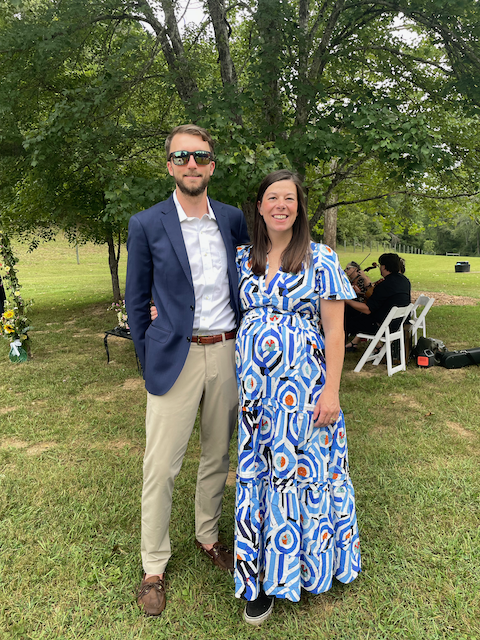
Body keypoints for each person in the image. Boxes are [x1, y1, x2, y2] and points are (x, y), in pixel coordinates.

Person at [125, 124, 250, 616]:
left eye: (200, 156)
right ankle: (153, 565)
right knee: (161, 465)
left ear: (212, 164)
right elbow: (137, 300)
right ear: (170, 165)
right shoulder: (147, 223)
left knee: (217, 455)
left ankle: (206, 536)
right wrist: (147, 351)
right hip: (173, 355)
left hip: (226, 352)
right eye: (182, 157)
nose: (191, 165)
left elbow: (246, 279)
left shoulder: (233, 219)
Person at [234, 170, 361, 625]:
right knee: (259, 473)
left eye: (289, 198)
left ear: (299, 207)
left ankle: (306, 569)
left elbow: (335, 331)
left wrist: (332, 390)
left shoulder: (321, 258)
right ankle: (259, 579)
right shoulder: (243, 258)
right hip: (255, 394)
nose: (281, 205)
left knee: (303, 474)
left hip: (303, 392)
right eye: (273, 197)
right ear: (260, 206)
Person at [344, 253, 411, 351]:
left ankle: (339, 349)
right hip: (398, 322)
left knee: (346, 318)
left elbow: (367, 310)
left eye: (380, 266)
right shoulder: (404, 281)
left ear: (384, 267)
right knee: (353, 313)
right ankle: (360, 345)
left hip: (384, 326)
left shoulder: (385, 284)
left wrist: (346, 300)